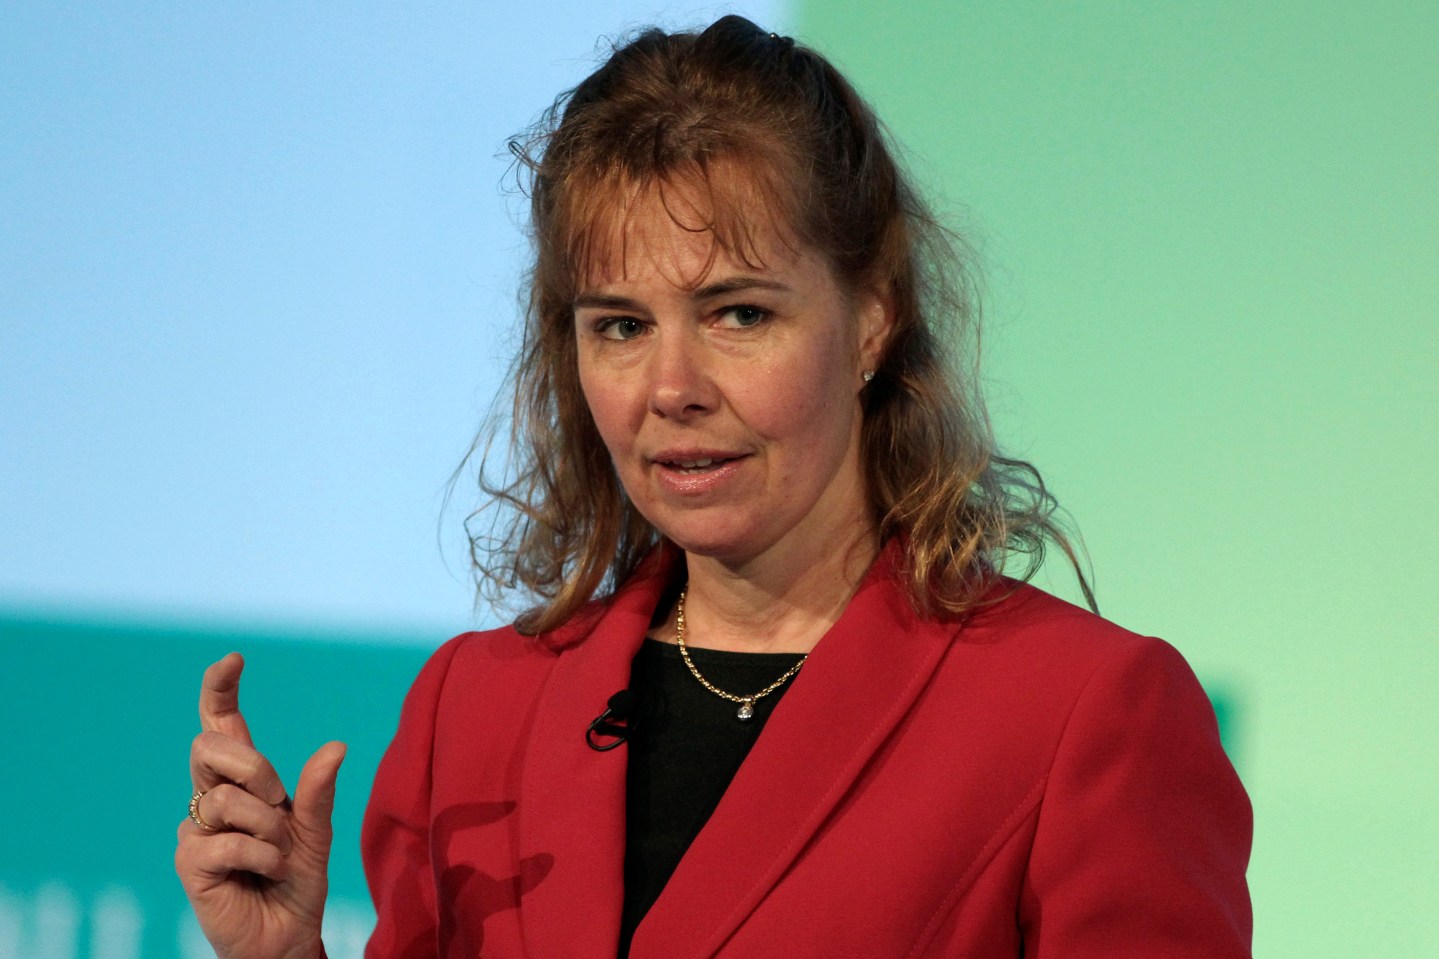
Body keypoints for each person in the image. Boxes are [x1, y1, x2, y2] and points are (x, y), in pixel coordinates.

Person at [176, 15, 1252, 959]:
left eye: (739, 313)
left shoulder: (1079, 715)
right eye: (620, 326)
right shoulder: (474, 709)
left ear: (870, 317)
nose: (671, 388)